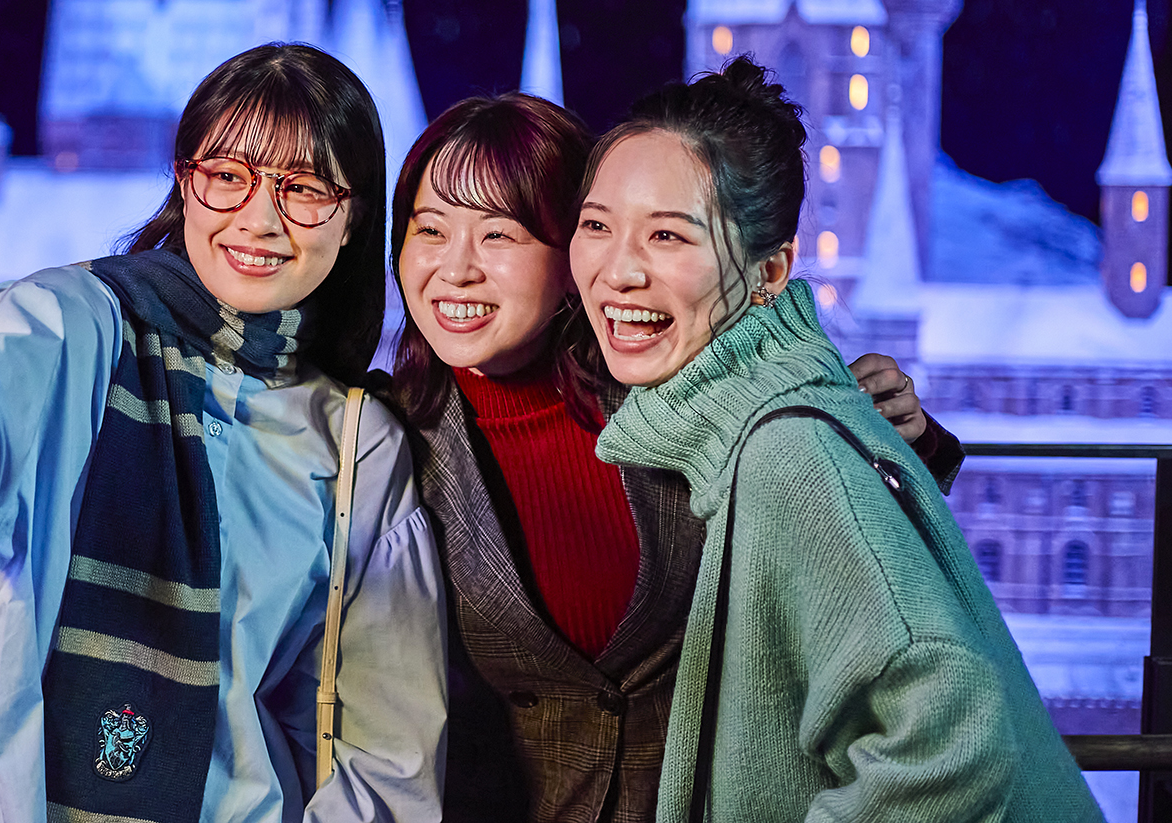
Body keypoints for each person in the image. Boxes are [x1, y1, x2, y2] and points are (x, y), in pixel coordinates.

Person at [0, 44, 448, 823]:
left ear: (352, 220)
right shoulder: (71, 328)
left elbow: (389, 759)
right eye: (228, 176)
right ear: (186, 182)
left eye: (304, 188)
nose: (260, 217)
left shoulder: (357, 446)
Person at [388, 92, 963, 822]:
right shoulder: (392, 438)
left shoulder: (674, 383)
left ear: (573, 252)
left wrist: (895, 431)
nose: (455, 268)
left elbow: (834, 529)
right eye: (428, 229)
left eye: (498, 235)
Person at [571, 57, 1102, 820]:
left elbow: (951, 738)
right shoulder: (749, 416)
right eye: (596, 226)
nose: (617, 269)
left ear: (771, 270)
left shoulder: (785, 451)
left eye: (668, 236)